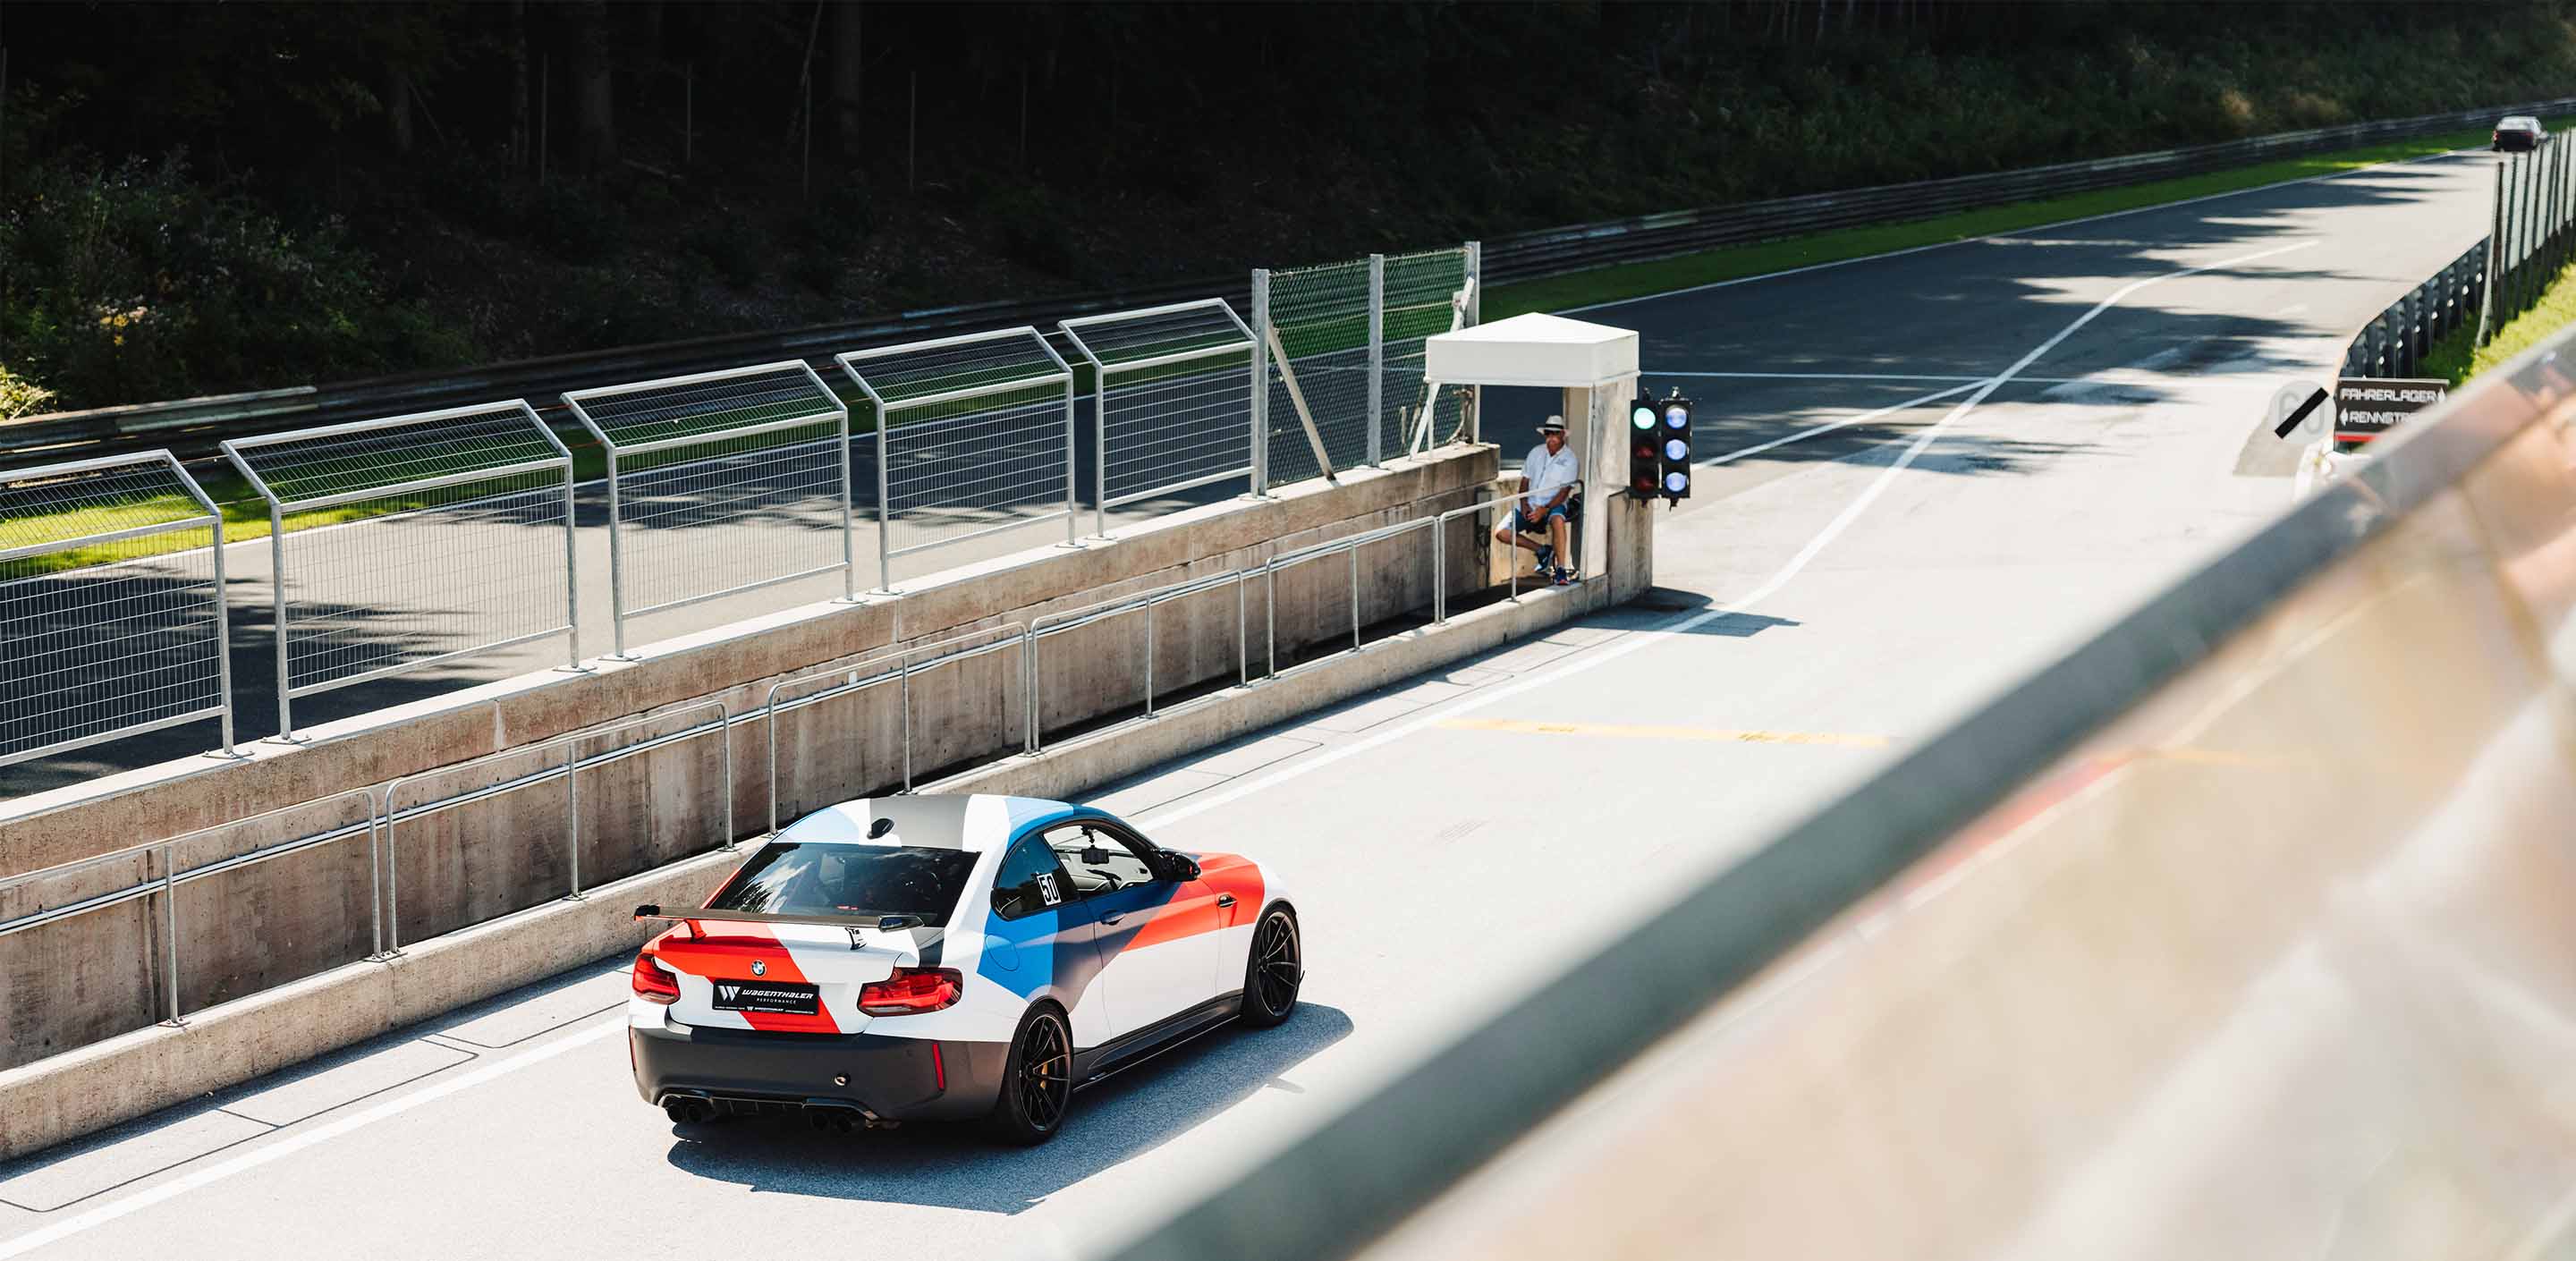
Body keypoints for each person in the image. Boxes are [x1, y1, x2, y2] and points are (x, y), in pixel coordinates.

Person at [1494, 416, 1578, 585]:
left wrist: (1544, 509)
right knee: (1501, 532)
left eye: (1555, 433)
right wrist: (1524, 504)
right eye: (1548, 433)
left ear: (1562, 435)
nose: (1551, 438)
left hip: (1553, 504)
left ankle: (1561, 569)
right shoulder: (1536, 452)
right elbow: (1525, 481)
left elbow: (1564, 491)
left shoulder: (1570, 459)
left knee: (1558, 521)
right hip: (1530, 502)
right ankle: (1542, 551)